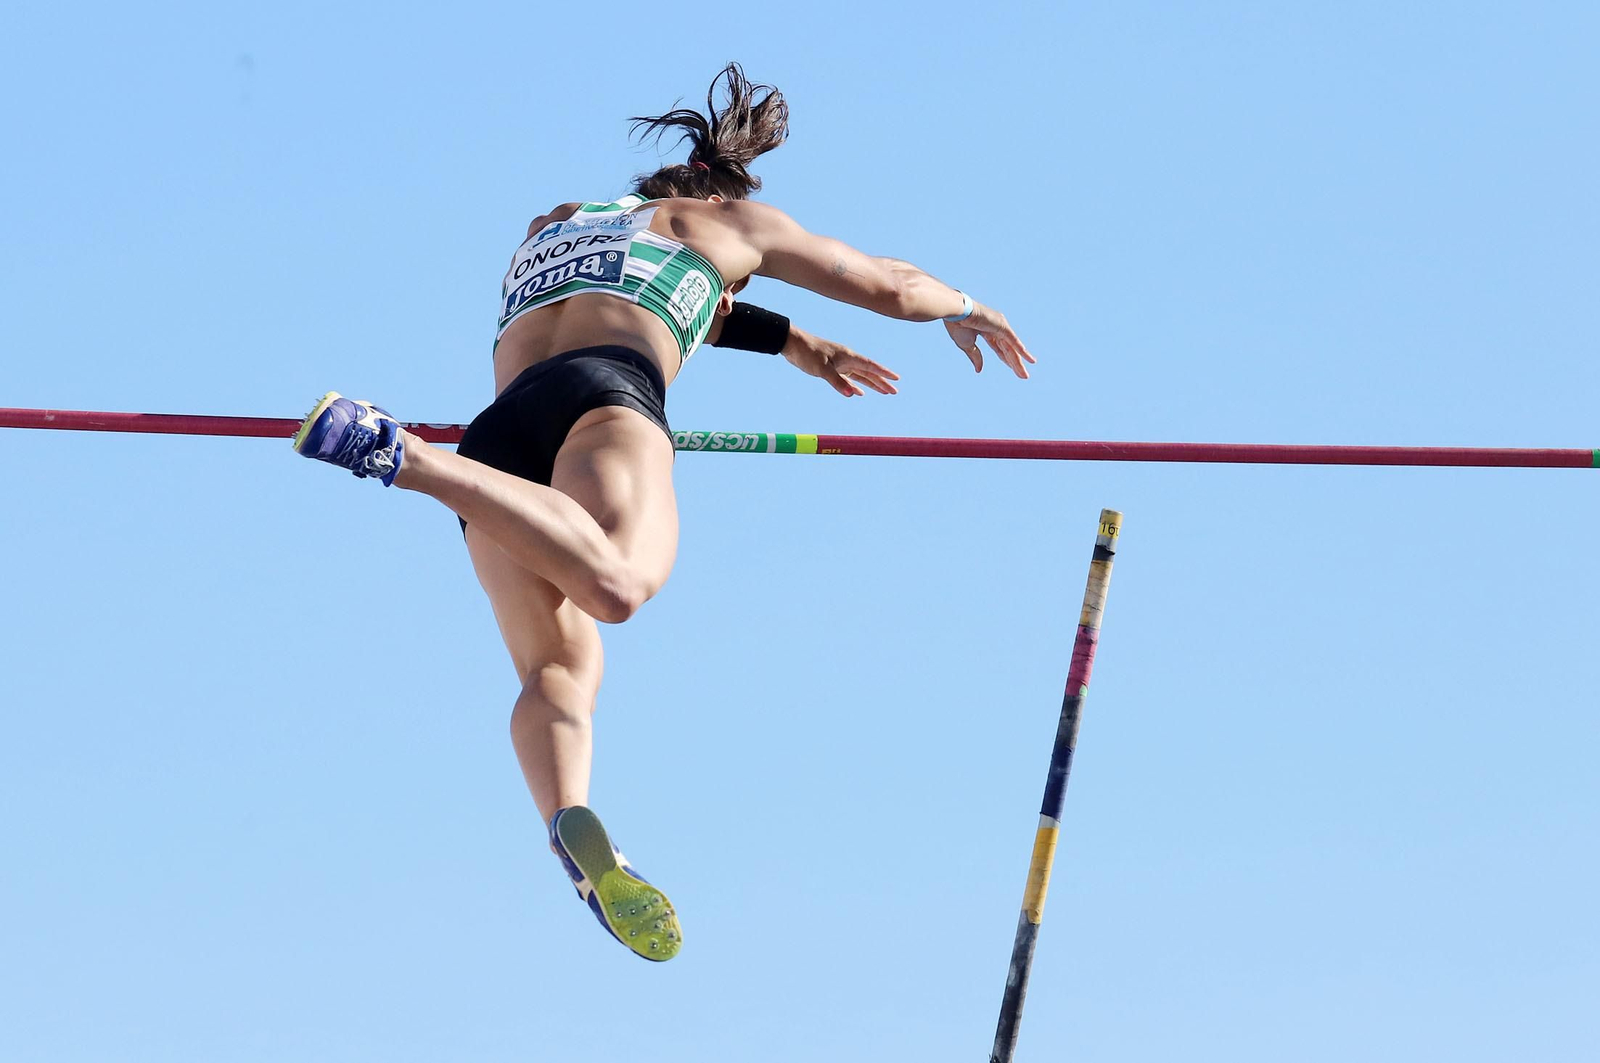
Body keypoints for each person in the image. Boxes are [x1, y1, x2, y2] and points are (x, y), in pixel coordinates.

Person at [292, 63, 1034, 962]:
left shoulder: (553, 224)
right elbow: (889, 285)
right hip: (602, 400)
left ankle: (571, 825)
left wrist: (790, 340)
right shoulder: (733, 226)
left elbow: (662, 290)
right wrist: (967, 305)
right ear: (718, 200)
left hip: (503, 434)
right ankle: (405, 457)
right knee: (617, 584)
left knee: (560, 668)